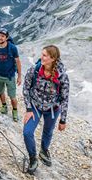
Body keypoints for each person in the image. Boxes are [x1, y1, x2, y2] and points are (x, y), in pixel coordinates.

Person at [22, 45, 70, 175]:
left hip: (53, 109)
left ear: (53, 58)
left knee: (48, 132)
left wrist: (63, 120)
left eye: (44, 55)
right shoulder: (34, 70)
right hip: (35, 107)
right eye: (41, 54)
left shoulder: (62, 77)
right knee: (27, 132)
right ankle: (33, 158)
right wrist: (28, 108)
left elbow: (65, 98)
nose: (41, 57)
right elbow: (26, 89)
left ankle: (44, 150)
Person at [0, 28, 22, 121]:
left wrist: (19, 76)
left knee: (12, 96)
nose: (0, 38)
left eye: (2, 36)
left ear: (7, 38)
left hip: (10, 76)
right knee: (0, 92)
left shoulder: (12, 48)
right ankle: (4, 106)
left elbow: (17, 61)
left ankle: (15, 111)